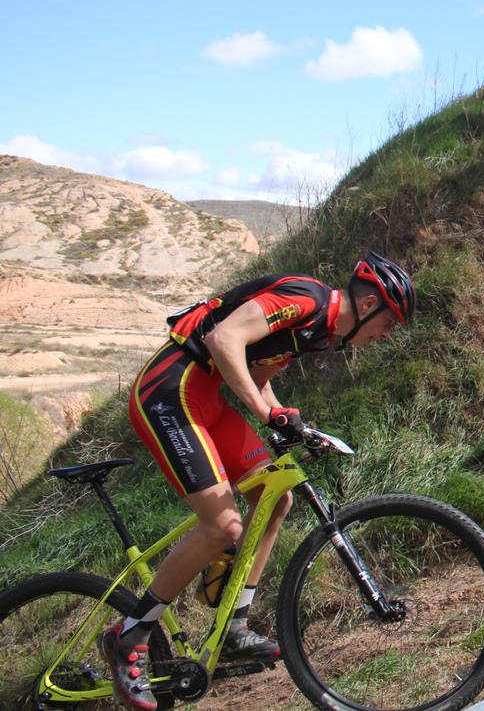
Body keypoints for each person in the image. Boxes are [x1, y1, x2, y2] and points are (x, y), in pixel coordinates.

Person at [100, 254, 416, 709]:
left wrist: (290, 419)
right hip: (170, 390)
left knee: (277, 498)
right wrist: (267, 413)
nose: (387, 335)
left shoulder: (317, 334)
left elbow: (258, 377)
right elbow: (223, 337)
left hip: (205, 396)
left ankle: (234, 626)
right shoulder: (306, 300)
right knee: (223, 526)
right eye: (389, 322)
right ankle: (129, 634)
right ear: (368, 304)